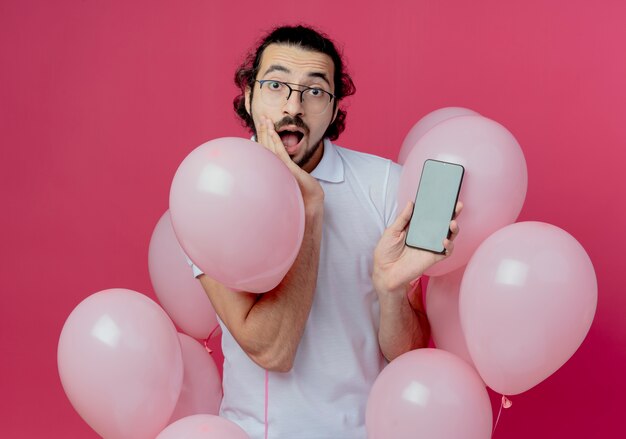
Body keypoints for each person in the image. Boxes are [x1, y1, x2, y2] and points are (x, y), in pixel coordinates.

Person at [191, 24, 461, 438]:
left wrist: (390, 291)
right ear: (249, 96)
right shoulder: (212, 191)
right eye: (276, 84)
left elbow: (408, 355)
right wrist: (311, 208)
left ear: (334, 110)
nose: (293, 105)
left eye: (315, 91)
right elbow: (271, 350)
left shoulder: (388, 186)